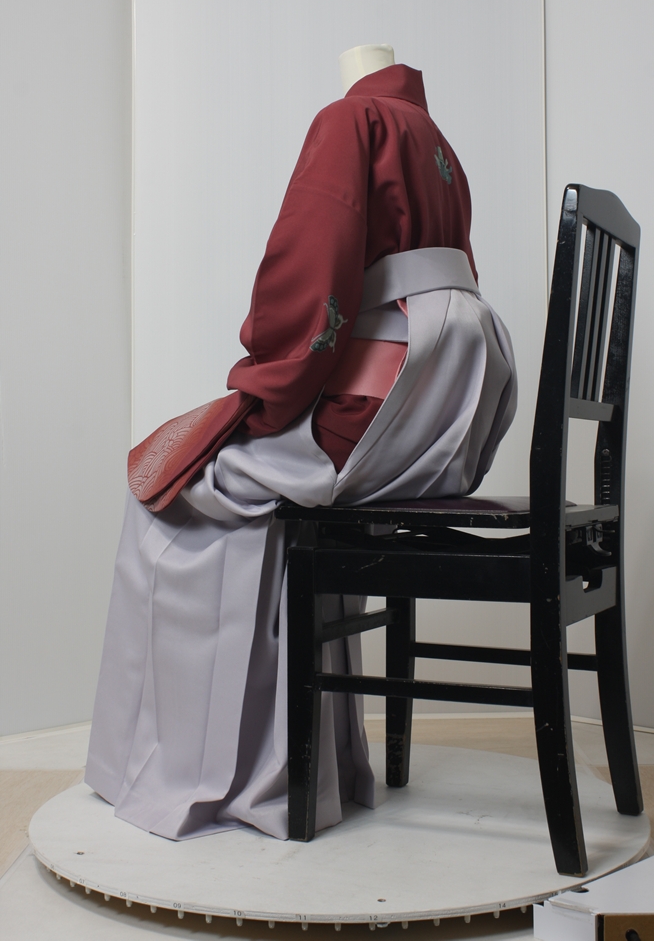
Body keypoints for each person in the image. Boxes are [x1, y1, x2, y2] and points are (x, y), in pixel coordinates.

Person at [85, 45, 517, 842]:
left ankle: (192, 766)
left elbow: (311, 264)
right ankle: (306, 760)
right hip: (438, 415)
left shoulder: (353, 117)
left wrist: (268, 379)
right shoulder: (438, 145)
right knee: (262, 495)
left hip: (376, 402)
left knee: (186, 495)